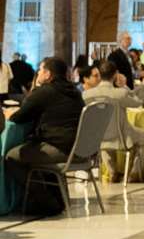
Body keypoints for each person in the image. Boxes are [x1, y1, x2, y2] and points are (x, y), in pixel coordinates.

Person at [3, 57, 84, 202]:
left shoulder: (46, 91)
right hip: (78, 148)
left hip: (60, 148)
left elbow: (19, 117)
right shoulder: (75, 91)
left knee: (12, 157)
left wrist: (9, 114)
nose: (38, 73)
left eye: (40, 70)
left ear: (48, 74)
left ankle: (43, 199)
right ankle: (54, 196)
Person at [84, 61, 144, 181]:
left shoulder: (86, 95)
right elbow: (138, 103)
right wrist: (124, 86)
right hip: (121, 137)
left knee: (104, 139)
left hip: (97, 137)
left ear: (99, 74)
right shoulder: (120, 93)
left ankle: (112, 172)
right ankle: (134, 173)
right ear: (115, 74)